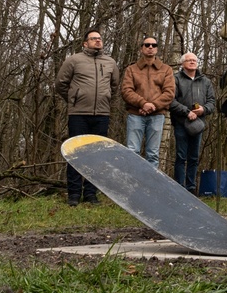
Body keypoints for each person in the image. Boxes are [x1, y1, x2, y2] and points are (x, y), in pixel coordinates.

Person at [55, 28, 120, 206]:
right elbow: (61, 84)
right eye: (93, 39)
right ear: (85, 43)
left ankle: (91, 194)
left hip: (102, 114)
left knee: (97, 155)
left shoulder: (110, 62)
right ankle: (74, 194)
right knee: (76, 153)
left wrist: (105, 98)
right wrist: (74, 99)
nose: (98, 41)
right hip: (78, 114)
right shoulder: (74, 60)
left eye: (99, 38)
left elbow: (114, 86)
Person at [120, 36, 176, 167]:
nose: (150, 47)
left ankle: (150, 186)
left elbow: (169, 93)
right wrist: (143, 104)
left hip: (157, 115)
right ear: (141, 48)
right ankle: (131, 184)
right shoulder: (131, 69)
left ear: (157, 49)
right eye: (147, 45)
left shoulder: (166, 69)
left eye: (154, 45)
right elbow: (126, 91)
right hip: (135, 114)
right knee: (132, 151)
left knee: (153, 154)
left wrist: (153, 106)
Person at [170, 52, 217, 194]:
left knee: (194, 157)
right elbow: (170, 101)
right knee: (180, 156)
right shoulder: (175, 79)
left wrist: (204, 109)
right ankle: (179, 188)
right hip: (181, 122)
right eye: (189, 60)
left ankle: (191, 188)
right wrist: (186, 112)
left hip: (198, 124)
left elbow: (212, 102)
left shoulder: (205, 81)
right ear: (182, 64)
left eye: (194, 60)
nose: (192, 62)